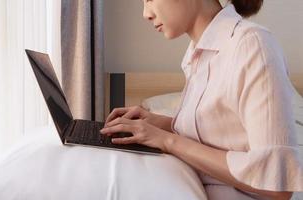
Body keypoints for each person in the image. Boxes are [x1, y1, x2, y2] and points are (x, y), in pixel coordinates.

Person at [100, 0, 303, 199]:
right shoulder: (197, 54)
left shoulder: (253, 45)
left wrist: (168, 141)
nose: (146, 13)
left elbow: (277, 184)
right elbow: (221, 133)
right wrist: (159, 124)